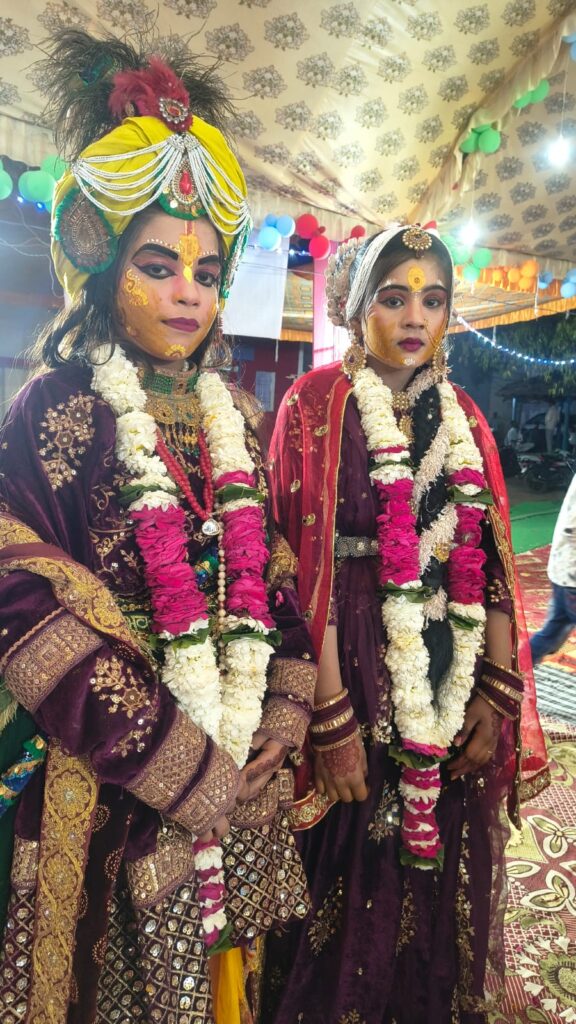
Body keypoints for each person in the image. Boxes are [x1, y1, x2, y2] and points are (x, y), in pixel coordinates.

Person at [0, 31, 317, 1023]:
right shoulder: (55, 406)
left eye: (207, 271)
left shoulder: (237, 418)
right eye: (158, 263)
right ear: (99, 263)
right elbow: (19, 601)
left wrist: (283, 712)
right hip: (106, 778)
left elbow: (269, 572)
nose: (189, 292)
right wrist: (175, 759)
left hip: (237, 759)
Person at [262, 224, 548, 1024]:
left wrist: (495, 687)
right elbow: (299, 566)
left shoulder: (464, 415)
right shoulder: (314, 404)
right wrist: (327, 711)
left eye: (434, 300)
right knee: (346, 848)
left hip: (447, 655)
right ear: (357, 309)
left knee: (433, 861)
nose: (416, 317)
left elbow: (489, 556)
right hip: (347, 656)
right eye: (394, 298)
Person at [530, 472, 576, 663]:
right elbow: (571, 530)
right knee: (554, 630)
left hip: (563, 570)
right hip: (571, 574)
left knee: (553, 631)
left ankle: (519, 667)